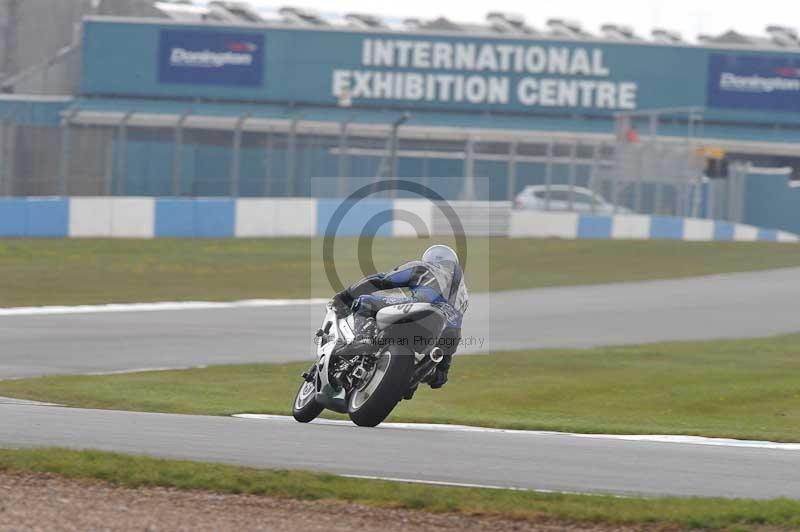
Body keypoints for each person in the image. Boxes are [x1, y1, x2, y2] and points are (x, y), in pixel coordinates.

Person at [330, 244, 469, 390]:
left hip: (420, 307)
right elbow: (454, 331)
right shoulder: (463, 293)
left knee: (366, 301)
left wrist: (344, 297)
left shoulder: (424, 267)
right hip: (444, 332)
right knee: (438, 376)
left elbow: (381, 280)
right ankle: (412, 380)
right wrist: (443, 370)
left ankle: (362, 341)